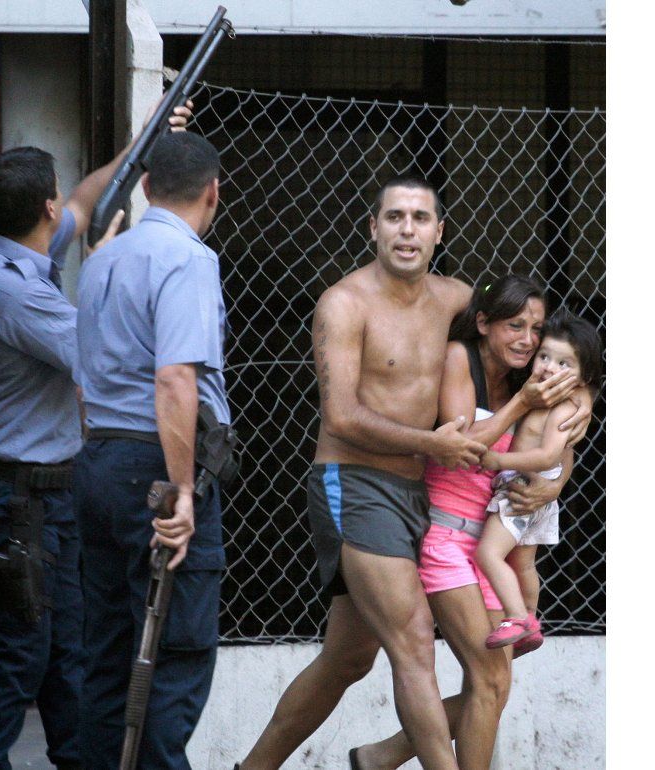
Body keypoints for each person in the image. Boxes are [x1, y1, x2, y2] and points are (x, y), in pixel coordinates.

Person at [236, 195, 592, 769]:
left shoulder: (458, 299)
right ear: (373, 226)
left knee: (348, 659)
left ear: (439, 232)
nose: (407, 230)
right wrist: (433, 443)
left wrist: (577, 419)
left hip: (419, 493)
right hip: (355, 481)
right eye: (395, 217)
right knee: (414, 640)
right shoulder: (344, 302)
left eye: (420, 218)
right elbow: (340, 417)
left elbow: (531, 351)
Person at [0, 103, 191, 770]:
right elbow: (101, 356)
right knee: (21, 644)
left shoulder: (4, 249)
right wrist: (107, 269)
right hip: (17, 494)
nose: (66, 203)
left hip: (38, 490)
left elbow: (86, 199)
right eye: (56, 196)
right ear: (44, 210)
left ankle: (79, 759)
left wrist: (145, 137)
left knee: (67, 646)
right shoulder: (18, 295)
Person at [351, 275, 593, 770]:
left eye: (536, 329)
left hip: (493, 546)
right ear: (484, 323)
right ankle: (383, 756)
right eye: (515, 326)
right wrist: (525, 404)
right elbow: (464, 446)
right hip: (446, 537)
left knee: (496, 683)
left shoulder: (532, 378)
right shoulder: (462, 360)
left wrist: (558, 478)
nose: (527, 340)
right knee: (486, 678)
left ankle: (381, 757)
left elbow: (557, 441)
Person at [73, 131, 229, 770]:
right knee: (175, 650)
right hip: (156, 467)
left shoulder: (100, 261)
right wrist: (183, 490)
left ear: (144, 187)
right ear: (213, 192)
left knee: (109, 651)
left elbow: (83, 383)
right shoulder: (188, 259)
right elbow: (174, 378)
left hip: (99, 460)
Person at [477, 309, 603, 650]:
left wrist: (498, 460)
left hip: (522, 488)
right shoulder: (549, 396)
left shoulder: (563, 409)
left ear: (583, 377)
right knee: (522, 563)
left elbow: (549, 456)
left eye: (563, 363)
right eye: (544, 356)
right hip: (537, 492)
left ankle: (517, 617)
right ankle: (531, 621)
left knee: (488, 554)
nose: (549, 367)